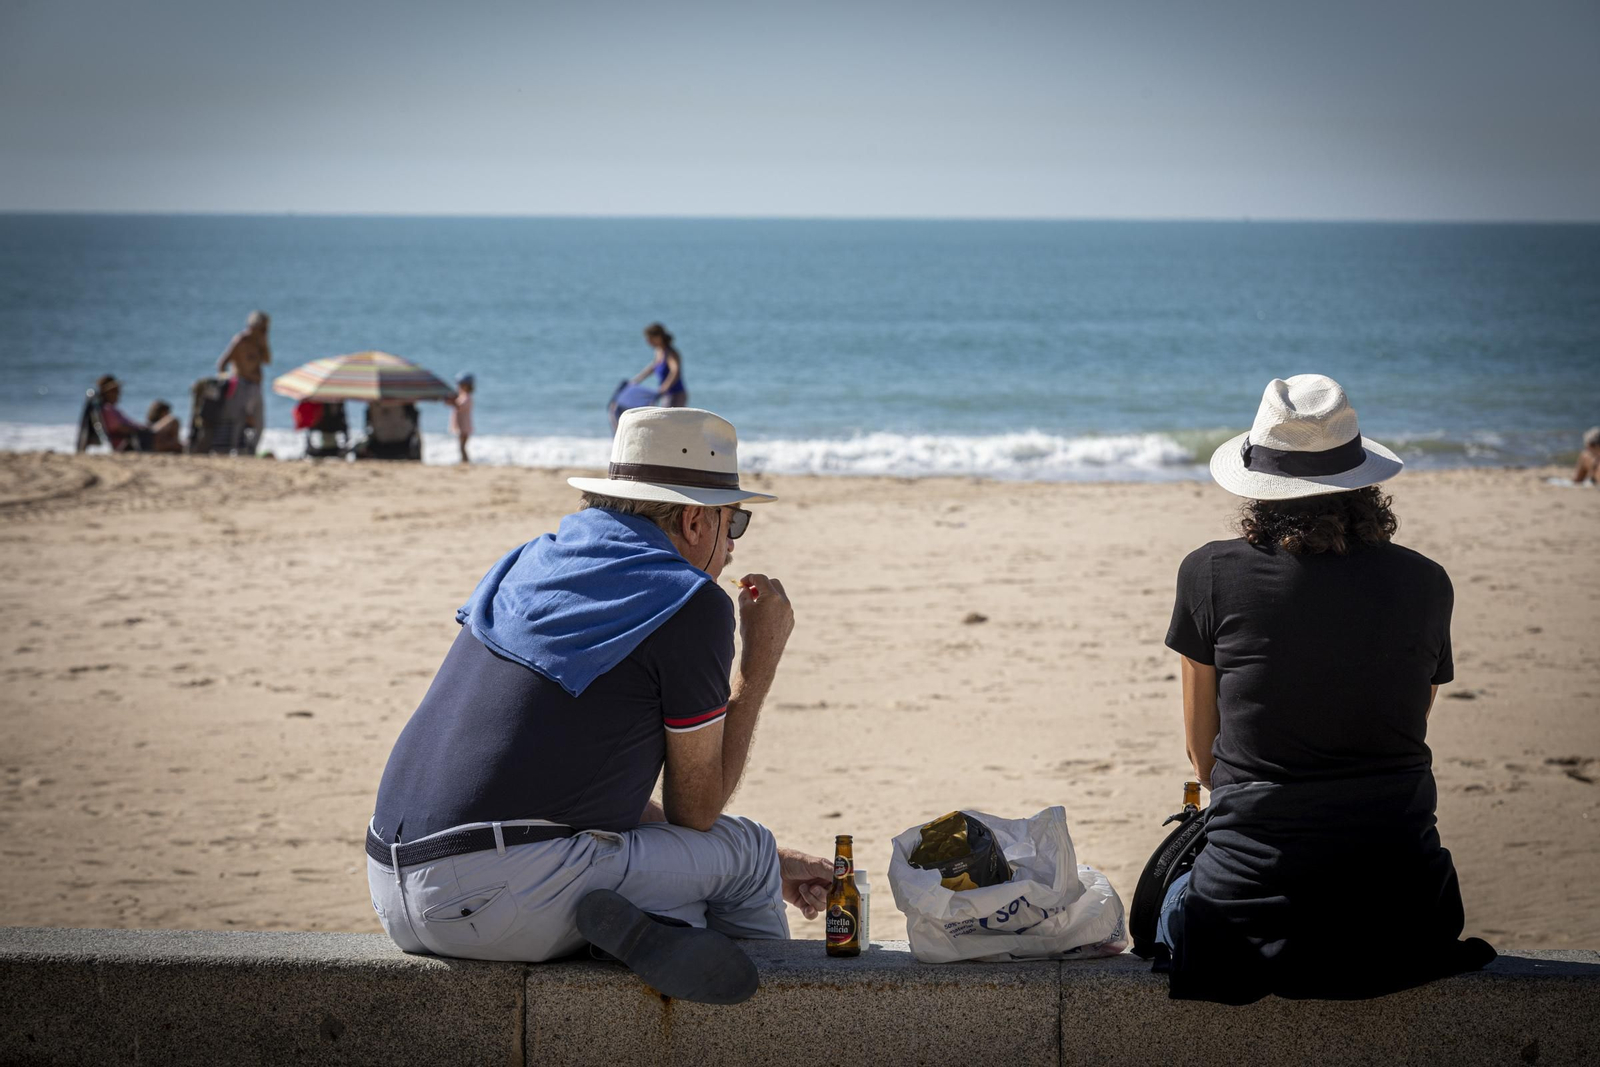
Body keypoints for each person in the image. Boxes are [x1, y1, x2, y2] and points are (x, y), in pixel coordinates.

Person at [367, 407, 830, 1003]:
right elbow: (697, 811)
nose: (733, 546)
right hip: (497, 895)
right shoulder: (689, 601)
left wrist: (777, 861)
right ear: (695, 520)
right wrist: (759, 666)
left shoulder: (531, 561)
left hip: (393, 885)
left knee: (721, 872)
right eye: (734, 522)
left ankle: (664, 924)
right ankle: (780, 1026)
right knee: (745, 853)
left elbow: (560, 776)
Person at [1157, 374, 1494, 1004]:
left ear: (1259, 486)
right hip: (1409, 918)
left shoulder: (1208, 573)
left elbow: (1205, 761)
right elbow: (1406, 722)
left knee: (1168, 899)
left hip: (1245, 921)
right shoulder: (1426, 583)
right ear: (1361, 480)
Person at [215, 310, 271, 452]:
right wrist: (226, 381)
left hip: (256, 386)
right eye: (263, 327)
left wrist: (264, 342)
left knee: (259, 422)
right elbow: (222, 363)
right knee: (239, 420)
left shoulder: (260, 342)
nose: (265, 330)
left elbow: (267, 360)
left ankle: (251, 449)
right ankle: (236, 448)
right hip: (241, 384)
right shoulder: (241, 340)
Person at [630, 322, 688, 407]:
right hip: (666, 395)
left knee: (667, 419)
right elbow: (652, 368)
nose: (648, 341)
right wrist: (635, 380)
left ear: (659, 337)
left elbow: (675, 371)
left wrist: (665, 387)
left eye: (650, 338)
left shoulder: (670, 353)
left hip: (676, 394)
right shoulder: (658, 351)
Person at [88, 375, 149, 452]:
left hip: (130, 439)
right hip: (126, 443)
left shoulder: (108, 409)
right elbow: (120, 428)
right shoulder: (107, 409)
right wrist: (141, 429)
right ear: (108, 393)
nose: (119, 394)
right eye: (116, 391)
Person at [450, 372, 475, 464]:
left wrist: (451, 401)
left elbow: (459, 406)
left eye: (461, 385)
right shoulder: (461, 396)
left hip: (464, 426)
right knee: (461, 446)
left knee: (462, 446)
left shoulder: (466, 397)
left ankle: (465, 461)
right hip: (461, 425)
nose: (459, 386)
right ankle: (464, 461)